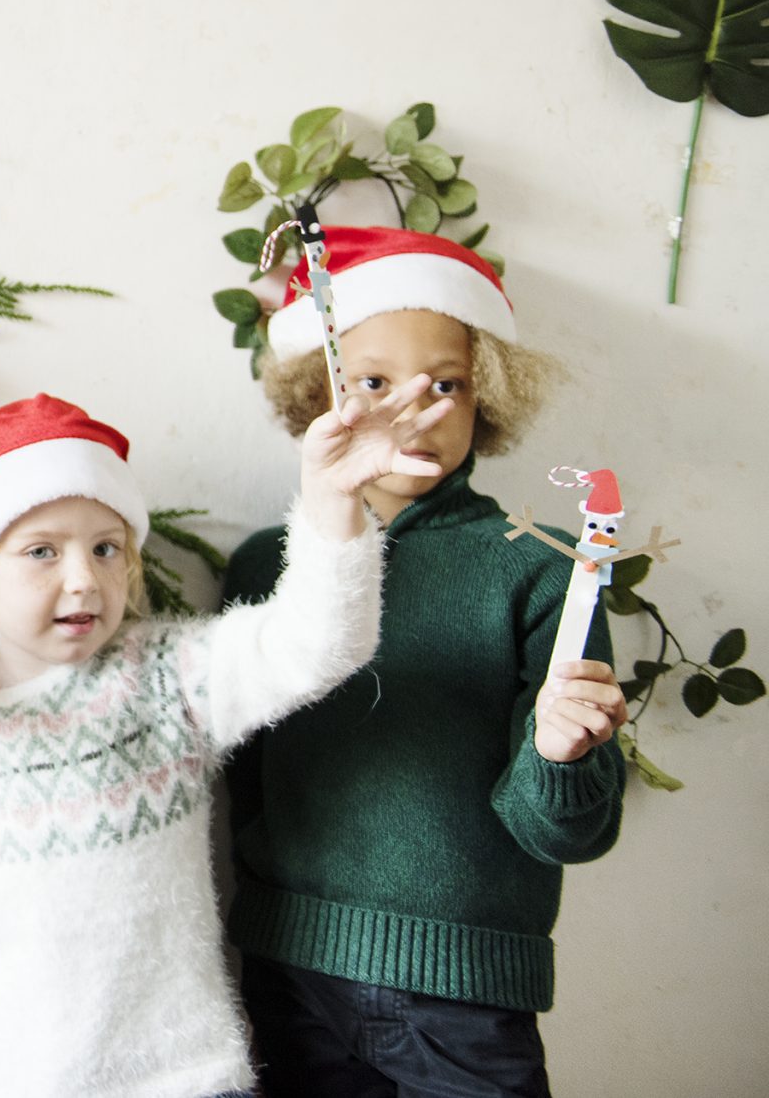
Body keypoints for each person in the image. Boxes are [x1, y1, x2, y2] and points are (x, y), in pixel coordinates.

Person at [0, 384, 447, 1098]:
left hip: (176, 1074)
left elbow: (317, 645)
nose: (84, 580)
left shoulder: (164, 676)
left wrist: (331, 504)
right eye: (42, 552)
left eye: (106, 548)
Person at [226, 228, 626, 1098]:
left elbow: (571, 832)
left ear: (488, 398)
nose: (418, 408)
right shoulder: (265, 566)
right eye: (374, 381)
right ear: (318, 390)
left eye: (447, 384)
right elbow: (240, 773)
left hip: (465, 1000)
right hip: (284, 975)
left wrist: (562, 758)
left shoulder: (543, 571)